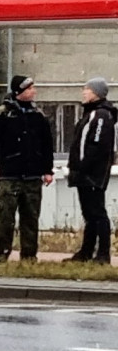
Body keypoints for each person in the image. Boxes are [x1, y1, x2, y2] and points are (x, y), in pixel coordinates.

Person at [0, 75, 55, 263]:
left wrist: (47, 170)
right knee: (5, 218)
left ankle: (29, 256)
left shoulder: (38, 115)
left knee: (30, 218)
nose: (34, 91)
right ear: (19, 91)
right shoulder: (3, 114)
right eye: (30, 88)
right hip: (10, 174)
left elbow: (47, 145)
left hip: (32, 175)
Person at [64, 77, 116, 265]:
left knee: (97, 213)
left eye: (86, 89)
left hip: (92, 174)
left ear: (96, 93)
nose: (83, 92)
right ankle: (86, 252)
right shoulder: (91, 113)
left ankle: (103, 254)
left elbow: (95, 144)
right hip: (85, 173)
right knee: (89, 214)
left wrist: (83, 167)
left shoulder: (100, 115)